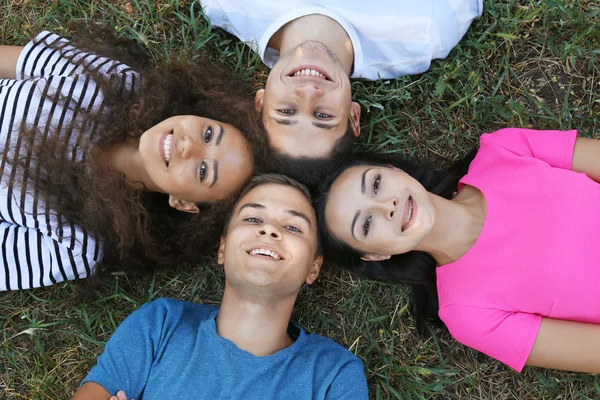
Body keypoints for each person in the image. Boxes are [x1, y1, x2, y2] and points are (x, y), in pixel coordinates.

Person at [314, 128, 600, 374]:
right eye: (365, 224)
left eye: (376, 184)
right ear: (375, 255)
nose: (386, 206)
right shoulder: (467, 315)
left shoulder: (503, 148)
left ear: (394, 170)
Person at [0, 29, 260, 291]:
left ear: (183, 204)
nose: (188, 145)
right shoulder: (119, 81)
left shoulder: (81, 244)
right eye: (208, 133)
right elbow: (15, 61)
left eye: (203, 171)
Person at [72, 174, 369, 400]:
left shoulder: (334, 375)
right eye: (253, 218)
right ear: (222, 248)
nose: (269, 229)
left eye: (293, 227)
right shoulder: (161, 324)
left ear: (313, 267)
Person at [198, 0, 483, 183]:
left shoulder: (228, 5)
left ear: (260, 102)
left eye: (286, 111)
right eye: (323, 115)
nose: (309, 92)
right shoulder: (425, 30)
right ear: (353, 116)